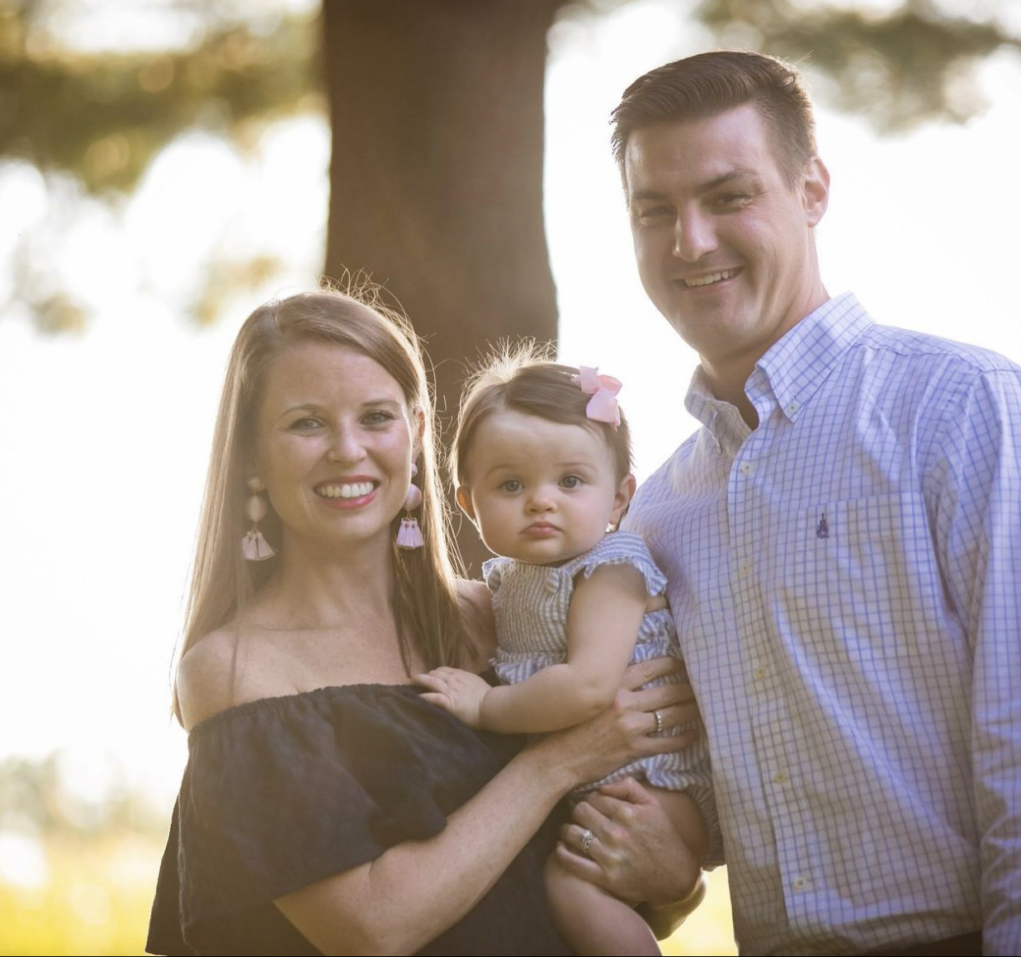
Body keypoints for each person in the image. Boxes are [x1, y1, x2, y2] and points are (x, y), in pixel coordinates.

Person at [557, 50, 1021, 956]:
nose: (690, 241)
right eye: (655, 211)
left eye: (727, 196)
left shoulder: (963, 408)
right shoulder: (655, 516)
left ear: (811, 190)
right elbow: (703, 793)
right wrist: (675, 867)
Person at [145, 288, 702, 957]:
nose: (347, 450)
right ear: (253, 456)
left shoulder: (502, 618)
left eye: (376, 417)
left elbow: (622, 884)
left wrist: (678, 882)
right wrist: (556, 762)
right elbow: (371, 929)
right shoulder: (237, 670)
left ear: (413, 436)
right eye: (307, 423)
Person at [414, 353, 714, 955]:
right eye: (511, 485)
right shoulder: (507, 583)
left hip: (657, 785)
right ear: (469, 504)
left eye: (570, 481)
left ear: (620, 498)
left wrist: (486, 707)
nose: (540, 501)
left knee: (572, 883)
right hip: (604, 781)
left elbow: (588, 686)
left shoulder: (612, 569)